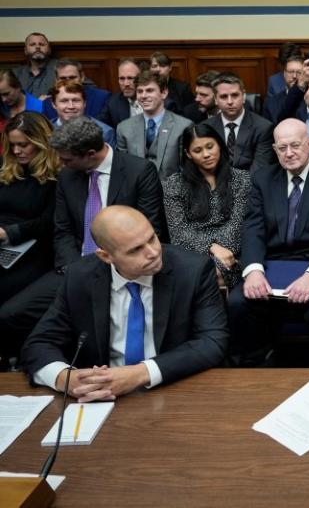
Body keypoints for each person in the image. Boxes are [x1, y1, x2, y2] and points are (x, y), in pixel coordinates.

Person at [20, 206, 229, 401]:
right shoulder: (80, 276)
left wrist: (139, 373)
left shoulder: (192, 270)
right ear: (105, 256)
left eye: (152, 238)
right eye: (135, 249)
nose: (153, 252)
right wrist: (67, 379)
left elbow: (212, 342)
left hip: (170, 390)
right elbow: (38, 344)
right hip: (100, 398)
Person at [228, 119, 309, 366]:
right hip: (274, 262)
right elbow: (253, 228)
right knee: (240, 301)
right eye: (282, 148)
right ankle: (256, 370)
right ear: (274, 150)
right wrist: (252, 270)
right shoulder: (263, 178)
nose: (289, 153)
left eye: (295, 145)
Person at [51, 116, 166, 271]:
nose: (61, 163)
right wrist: (73, 269)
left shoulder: (139, 172)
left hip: (124, 264)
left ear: (91, 154)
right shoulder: (67, 176)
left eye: (67, 160)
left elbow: (150, 227)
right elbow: (63, 230)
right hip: (75, 264)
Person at [0, 112, 59, 364]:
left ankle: (16, 357)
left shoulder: (57, 176)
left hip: (36, 249)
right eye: (12, 145)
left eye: (23, 145)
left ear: (41, 143)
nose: (17, 151)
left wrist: (9, 233)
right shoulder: (9, 170)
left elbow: (49, 222)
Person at [161, 123, 251, 289]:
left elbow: (237, 227)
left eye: (210, 147)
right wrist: (212, 247)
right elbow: (178, 233)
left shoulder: (242, 179)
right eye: (198, 150)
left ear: (219, 145)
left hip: (234, 253)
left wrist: (221, 251)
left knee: (210, 274)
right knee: (204, 273)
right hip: (191, 253)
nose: (206, 154)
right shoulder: (174, 184)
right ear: (188, 154)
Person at [116, 71, 194, 179]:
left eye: (149, 90)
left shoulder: (183, 126)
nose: (143, 96)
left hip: (173, 192)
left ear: (164, 93)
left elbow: (187, 170)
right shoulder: (124, 128)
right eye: (139, 91)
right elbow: (122, 169)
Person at [203, 73, 274, 172]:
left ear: (243, 96)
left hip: (250, 185)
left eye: (235, 95)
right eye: (224, 96)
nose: (230, 101)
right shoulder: (206, 127)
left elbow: (260, 170)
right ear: (215, 100)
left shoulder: (263, 128)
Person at [49, 79, 116, 147]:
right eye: (64, 101)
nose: (71, 106)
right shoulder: (44, 131)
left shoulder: (104, 132)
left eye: (76, 100)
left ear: (85, 103)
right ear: (54, 104)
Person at [44, 59, 110, 120]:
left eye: (72, 77)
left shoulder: (102, 97)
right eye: (63, 78)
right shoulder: (47, 103)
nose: (68, 81)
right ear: (56, 80)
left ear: (82, 77)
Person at [98, 59, 143, 127]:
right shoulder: (113, 102)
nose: (126, 84)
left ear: (141, 78)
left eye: (130, 78)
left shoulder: (158, 100)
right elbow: (98, 125)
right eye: (122, 78)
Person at [262, 55, 305, 123]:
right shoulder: (270, 103)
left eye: (299, 72)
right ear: (284, 74)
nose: (294, 76)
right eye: (290, 72)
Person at [13, 32, 58, 98]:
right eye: (32, 44)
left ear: (49, 50)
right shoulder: (15, 74)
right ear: (25, 50)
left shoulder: (60, 68)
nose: (37, 47)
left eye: (42, 44)